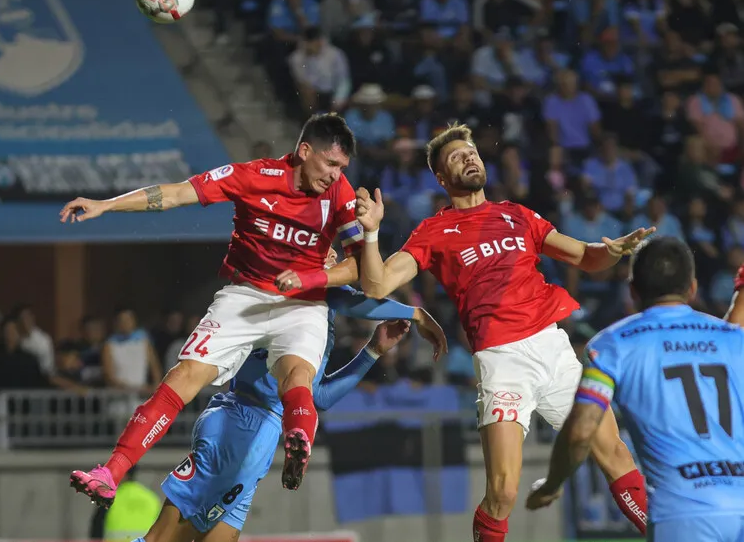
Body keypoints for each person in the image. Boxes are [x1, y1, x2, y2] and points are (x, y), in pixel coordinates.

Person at [62, 115, 430, 505]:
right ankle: (111, 472)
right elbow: (175, 194)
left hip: (303, 304)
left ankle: (297, 439)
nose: (335, 175)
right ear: (305, 151)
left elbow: (360, 271)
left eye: (342, 167)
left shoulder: (340, 193)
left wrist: (315, 275)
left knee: (298, 376)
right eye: (330, 164)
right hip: (246, 295)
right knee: (184, 375)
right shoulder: (253, 176)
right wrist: (107, 205)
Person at [347, 123, 652, 540]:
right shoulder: (433, 232)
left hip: (554, 349)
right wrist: (371, 232)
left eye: (471, 152)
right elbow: (377, 285)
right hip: (502, 361)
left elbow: (584, 256)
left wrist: (612, 251)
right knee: (503, 491)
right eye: (457, 157)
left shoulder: (517, 215)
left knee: (615, 453)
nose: (469, 158)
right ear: (441, 178)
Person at [135, 248, 446, 542]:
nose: (334, 256)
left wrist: (373, 351)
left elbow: (318, 397)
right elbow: (356, 301)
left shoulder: (318, 318)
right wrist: (415, 313)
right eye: (326, 250)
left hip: (259, 433)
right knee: (162, 539)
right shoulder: (284, 289)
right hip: (241, 424)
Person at [527, 237, 744, 541]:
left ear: (632, 291)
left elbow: (581, 431)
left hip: (681, 516)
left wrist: (552, 485)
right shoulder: (734, 339)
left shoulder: (612, 345)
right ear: (693, 288)